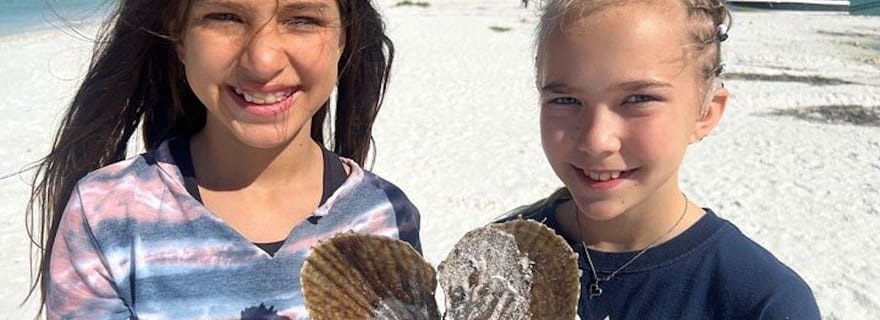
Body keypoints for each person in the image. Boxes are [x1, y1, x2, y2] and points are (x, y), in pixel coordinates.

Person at [25, 0, 421, 318]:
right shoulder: (106, 214)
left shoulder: (386, 215)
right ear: (179, 36)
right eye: (226, 17)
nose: (263, 61)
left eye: (302, 19)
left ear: (345, 39)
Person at [495, 0, 820, 318]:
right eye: (566, 99)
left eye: (638, 99)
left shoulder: (765, 302)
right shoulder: (498, 258)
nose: (596, 140)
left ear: (705, 113)